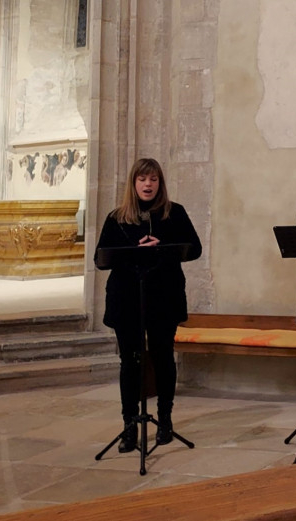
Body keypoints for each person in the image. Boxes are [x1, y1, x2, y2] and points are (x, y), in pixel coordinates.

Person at [95, 158, 202, 452]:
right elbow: (100, 258)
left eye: (153, 179)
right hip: (127, 297)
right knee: (130, 361)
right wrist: (134, 251)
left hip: (163, 296)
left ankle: (165, 420)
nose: (148, 184)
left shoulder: (174, 213)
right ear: (133, 183)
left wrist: (162, 248)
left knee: (163, 357)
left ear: (160, 183)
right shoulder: (117, 217)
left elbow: (194, 249)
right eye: (142, 179)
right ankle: (129, 425)